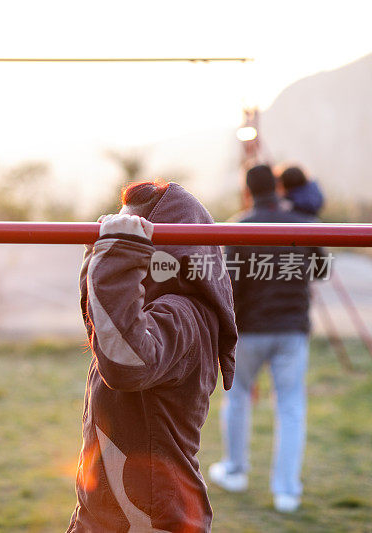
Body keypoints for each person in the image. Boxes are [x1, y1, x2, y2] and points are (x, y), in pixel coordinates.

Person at [67, 181, 238, 532]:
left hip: (153, 519)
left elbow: (123, 365)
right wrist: (98, 256)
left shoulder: (183, 316)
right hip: (105, 514)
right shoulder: (151, 310)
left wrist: (118, 256)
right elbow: (104, 332)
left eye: (138, 241)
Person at [209, 165, 329, 513]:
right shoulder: (305, 223)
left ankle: (235, 471)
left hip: (248, 329)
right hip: (292, 329)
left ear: (247, 190)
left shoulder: (238, 226)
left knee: (238, 398)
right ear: (277, 188)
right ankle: (287, 492)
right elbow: (322, 270)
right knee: (291, 406)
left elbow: (228, 282)